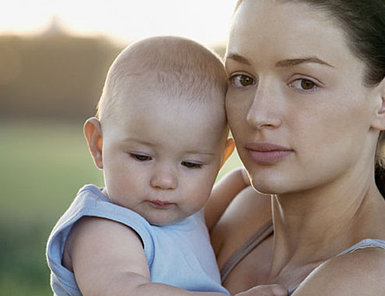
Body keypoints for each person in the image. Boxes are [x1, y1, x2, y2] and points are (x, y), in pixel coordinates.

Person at [211, 0, 385, 295]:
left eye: (304, 82)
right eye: (243, 78)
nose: (257, 115)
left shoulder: (367, 285)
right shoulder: (245, 211)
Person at [46, 36, 287, 296]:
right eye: (141, 157)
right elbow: (128, 291)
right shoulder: (104, 228)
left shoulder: (183, 211)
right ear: (99, 144)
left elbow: (241, 182)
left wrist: (268, 178)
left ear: (220, 161)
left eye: (191, 164)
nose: (165, 181)